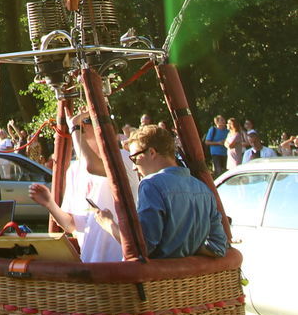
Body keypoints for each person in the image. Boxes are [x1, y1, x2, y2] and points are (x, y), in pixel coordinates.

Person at [98, 125, 226, 259]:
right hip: (195, 278)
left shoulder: (151, 184)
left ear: (152, 152)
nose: (134, 167)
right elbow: (219, 247)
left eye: (134, 158)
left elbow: (143, 248)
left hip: (159, 278)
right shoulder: (203, 189)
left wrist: (109, 224)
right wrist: (188, 247)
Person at [29, 110, 138, 262]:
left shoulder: (123, 157)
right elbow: (72, 225)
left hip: (121, 262)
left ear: (108, 129)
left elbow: (92, 166)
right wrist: (49, 204)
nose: (81, 126)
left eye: (86, 121)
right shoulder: (74, 169)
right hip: (90, 263)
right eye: (80, 123)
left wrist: (73, 127)